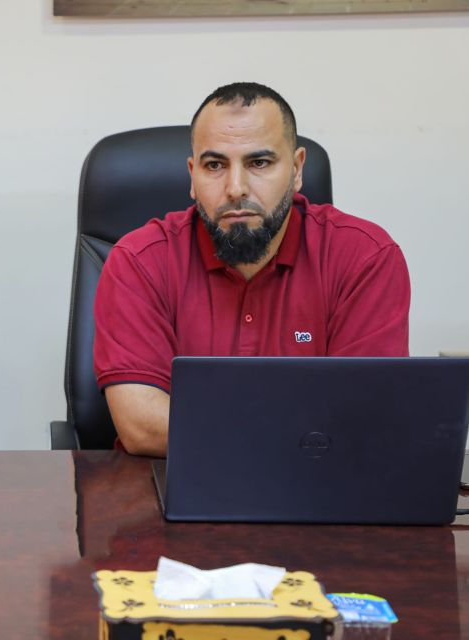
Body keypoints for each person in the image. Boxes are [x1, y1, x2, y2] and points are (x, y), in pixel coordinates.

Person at [93, 82, 410, 458]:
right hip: (170, 479)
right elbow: (142, 427)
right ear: (192, 175)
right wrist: (301, 431)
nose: (236, 188)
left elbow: (364, 418)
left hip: (315, 482)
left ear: (296, 169)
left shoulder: (364, 258)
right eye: (215, 165)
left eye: (259, 163)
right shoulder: (139, 261)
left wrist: (223, 430)